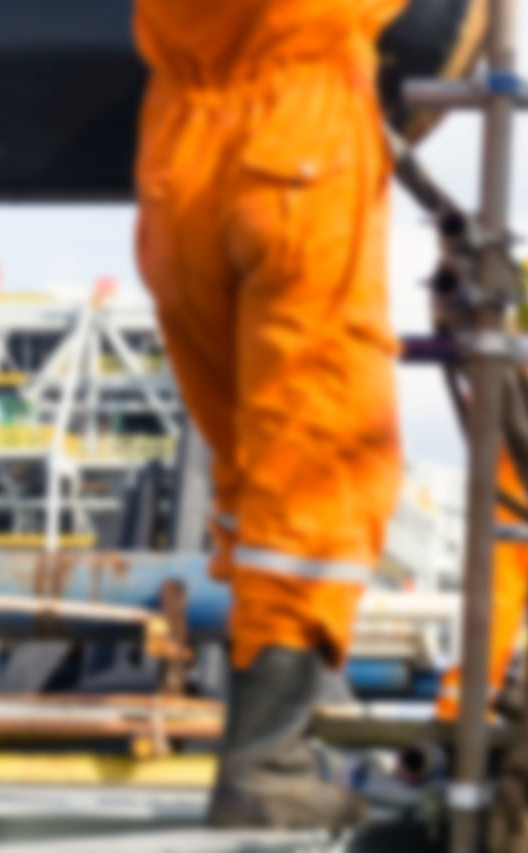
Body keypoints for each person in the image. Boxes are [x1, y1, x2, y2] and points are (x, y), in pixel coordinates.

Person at [134, 0, 408, 828]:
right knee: (318, 467)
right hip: (299, 137)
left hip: (176, 149)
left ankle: (274, 731)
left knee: (252, 472)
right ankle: (267, 760)